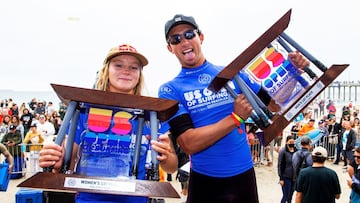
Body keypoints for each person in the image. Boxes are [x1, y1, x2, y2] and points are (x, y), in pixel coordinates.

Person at [159, 14, 309, 203]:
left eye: (189, 34)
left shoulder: (233, 74)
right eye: (176, 39)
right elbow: (189, 143)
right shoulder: (170, 90)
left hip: (243, 177)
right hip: (204, 180)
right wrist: (235, 118)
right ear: (169, 48)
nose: (184, 41)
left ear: (201, 37)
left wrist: (293, 72)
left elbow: (275, 104)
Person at [39, 44, 178, 203]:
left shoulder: (151, 114)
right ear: (106, 70)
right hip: (89, 199)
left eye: (133, 67)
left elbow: (172, 167)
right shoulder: (85, 110)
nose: (126, 70)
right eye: (118, 65)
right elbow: (68, 163)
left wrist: (167, 157)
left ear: (140, 74)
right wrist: (55, 160)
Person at [277, 135, 296, 203]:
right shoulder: (283, 151)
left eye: (293, 142)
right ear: (286, 142)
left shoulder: (296, 151)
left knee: (290, 197)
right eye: (290, 142)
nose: (292, 143)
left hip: (294, 177)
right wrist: (281, 178)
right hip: (285, 177)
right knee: (286, 196)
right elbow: (280, 165)